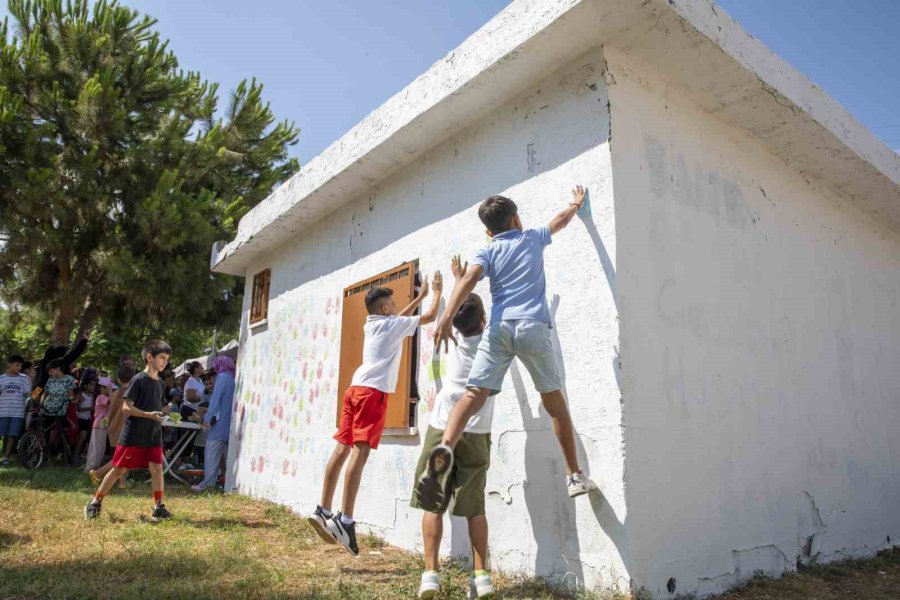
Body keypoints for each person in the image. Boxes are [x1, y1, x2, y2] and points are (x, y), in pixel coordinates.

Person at [426, 187, 598, 509]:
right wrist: (575, 203)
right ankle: (574, 475)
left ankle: (446, 447)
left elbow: (468, 280)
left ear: (489, 232)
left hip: (500, 329)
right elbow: (559, 221)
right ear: (517, 219)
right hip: (532, 327)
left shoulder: (488, 251)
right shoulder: (531, 237)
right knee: (553, 400)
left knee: (472, 395)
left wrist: (446, 316)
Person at [308, 272, 443, 555]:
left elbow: (398, 321)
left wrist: (417, 297)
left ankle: (323, 509)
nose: (396, 306)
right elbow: (429, 317)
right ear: (385, 309)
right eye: (393, 304)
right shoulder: (391, 324)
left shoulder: (373, 324)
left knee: (341, 449)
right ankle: (345, 520)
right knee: (360, 452)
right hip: (372, 393)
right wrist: (438, 293)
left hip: (354, 389)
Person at [412, 258, 496, 599]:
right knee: (474, 507)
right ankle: (480, 576)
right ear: (484, 321)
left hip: (442, 425)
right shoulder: (494, 346)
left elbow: (457, 314)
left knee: (434, 503)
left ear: (455, 325)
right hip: (475, 431)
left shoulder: (449, 340)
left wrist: (454, 282)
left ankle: (431, 574)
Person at [85, 339, 172, 521]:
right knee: (119, 469)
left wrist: (163, 412)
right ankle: (95, 502)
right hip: (133, 433)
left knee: (157, 468)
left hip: (153, 433)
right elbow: (126, 408)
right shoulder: (138, 379)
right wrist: (149, 415)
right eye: (162, 357)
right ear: (149, 357)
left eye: (167, 358)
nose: (165, 361)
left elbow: (153, 406)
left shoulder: (161, 383)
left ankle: (159, 506)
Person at [191, 356, 235, 493]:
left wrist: (206, 420)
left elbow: (215, 401)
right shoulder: (233, 378)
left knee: (211, 453)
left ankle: (208, 484)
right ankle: (228, 484)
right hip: (231, 423)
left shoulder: (222, 378)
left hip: (220, 423)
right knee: (228, 457)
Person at [88, 363, 136, 489]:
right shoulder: (132, 393)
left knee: (120, 457)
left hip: (114, 428)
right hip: (125, 429)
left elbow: (110, 412)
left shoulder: (115, 394)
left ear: (118, 379)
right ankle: (99, 474)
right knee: (122, 457)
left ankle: (118, 481)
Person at [0, 355, 32, 465]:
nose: (19, 367)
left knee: (12, 435)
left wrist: (37, 394)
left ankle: (6, 457)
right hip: (2, 411)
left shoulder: (24, 378)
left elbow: (29, 393)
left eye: (20, 365)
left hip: (18, 411)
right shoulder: (1, 378)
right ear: (9, 364)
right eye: (16, 365)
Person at [40, 358, 77, 435]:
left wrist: (73, 399)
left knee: (59, 433)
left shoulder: (69, 379)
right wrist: (41, 403)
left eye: (51, 371)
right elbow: (45, 393)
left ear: (58, 369)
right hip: (47, 409)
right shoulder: (50, 379)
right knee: (46, 432)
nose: (49, 373)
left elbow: (71, 393)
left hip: (61, 410)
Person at [84, 377, 114, 471]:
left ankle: (94, 466)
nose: (111, 390)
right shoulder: (101, 397)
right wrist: (110, 392)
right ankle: (91, 467)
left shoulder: (104, 397)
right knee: (97, 446)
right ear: (102, 388)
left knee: (100, 446)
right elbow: (112, 402)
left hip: (102, 425)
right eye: (108, 388)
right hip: (99, 425)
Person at [73, 378, 96, 464]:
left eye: (94, 385)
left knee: (87, 438)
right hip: (80, 419)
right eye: (91, 384)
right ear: (85, 386)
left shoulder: (92, 396)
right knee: (82, 437)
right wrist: (89, 408)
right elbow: (78, 408)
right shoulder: (82, 395)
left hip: (87, 419)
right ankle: (75, 457)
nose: (93, 387)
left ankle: (83, 455)